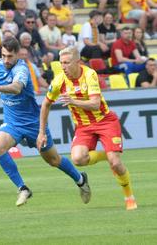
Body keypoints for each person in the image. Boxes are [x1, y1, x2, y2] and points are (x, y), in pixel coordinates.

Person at [0, 37, 91, 207]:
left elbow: (16, 88)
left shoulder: (21, 69)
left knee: (54, 160)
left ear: (18, 55)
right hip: (12, 122)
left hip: (34, 123)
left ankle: (81, 180)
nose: (6, 60)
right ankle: (23, 188)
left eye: (10, 56)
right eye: (3, 55)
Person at [37, 46, 137, 210]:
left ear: (78, 62)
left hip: (105, 121)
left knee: (116, 164)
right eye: (61, 63)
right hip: (83, 126)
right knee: (78, 159)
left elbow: (95, 104)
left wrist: (73, 101)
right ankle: (107, 156)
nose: (63, 67)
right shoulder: (59, 81)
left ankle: (129, 196)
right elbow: (45, 104)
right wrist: (41, 132)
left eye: (67, 63)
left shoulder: (90, 74)